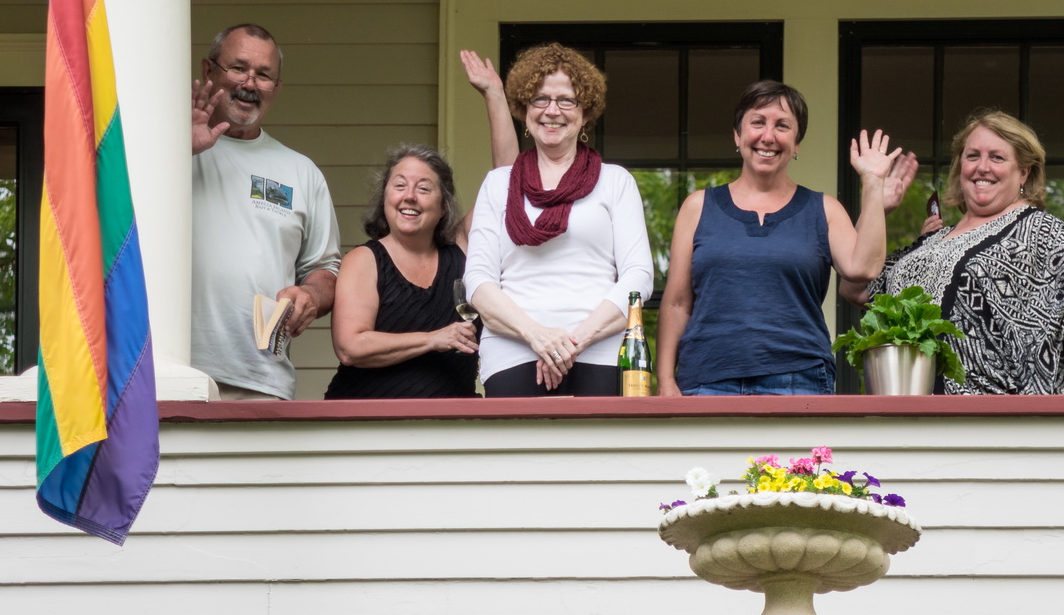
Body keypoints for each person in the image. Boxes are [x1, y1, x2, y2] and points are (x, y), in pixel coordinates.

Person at [841, 110, 1064, 395]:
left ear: (1023, 172)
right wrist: (877, 205)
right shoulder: (933, 240)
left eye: (997, 157)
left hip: (990, 419)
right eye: (972, 156)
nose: (982, 167)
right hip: (911, 416)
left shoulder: (1039, 229)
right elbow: (856, 286)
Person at [656, 80, 905, 396]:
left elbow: (863, 268)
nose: (768, 136)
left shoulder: (824, 209)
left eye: (782, 126)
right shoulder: (697, 207)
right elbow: (677, 303)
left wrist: (872, 182)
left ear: (797, 143)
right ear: (737, 134)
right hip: (706, 379)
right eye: (757, 122)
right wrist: (665, 381)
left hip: (798, 380)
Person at [323, 54, 520, 399]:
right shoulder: (365, 260)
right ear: (385, 197)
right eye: (399, 186)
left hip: (448, 431)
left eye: (424, 188)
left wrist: (494, 95)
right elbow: (351, 346)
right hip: (364, 427)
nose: (409, 196)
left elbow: (507, 182)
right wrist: (434, 338)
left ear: (443, 204)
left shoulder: (460, 251)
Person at [463, 43, 653, 397]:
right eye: (540, 99)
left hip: (600, 349)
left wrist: (570, 342)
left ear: (585, 112)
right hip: (513, 350)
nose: (553, 110)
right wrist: (537, 335)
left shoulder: (615, 181)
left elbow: (638, 277)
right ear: (524, 108)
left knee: (600, 453)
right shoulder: (498, 184)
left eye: (566, 100)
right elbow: (477, 280)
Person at [191, 24, 341, 400]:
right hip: (168, 374)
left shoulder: (301, 172)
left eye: (264, 75)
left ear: (277, 87)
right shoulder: (165, 150)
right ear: (209, 71)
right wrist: (177, 150)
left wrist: (310, 295)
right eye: (238, 68)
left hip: (260, 380)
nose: (250, 83)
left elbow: (325, 270)